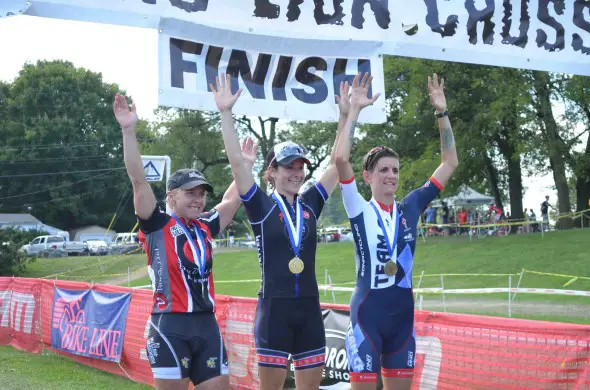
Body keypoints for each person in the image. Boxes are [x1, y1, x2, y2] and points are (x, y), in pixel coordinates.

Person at [209, 73, 348, 389]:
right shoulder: (260, 205)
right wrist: (226, 113)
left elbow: (339, 163)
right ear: (271, 172)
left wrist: (345, 116)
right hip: (274, 313)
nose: (297, 174)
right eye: (289, 167)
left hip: (311, 311)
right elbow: (235, 161)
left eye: (300, 167)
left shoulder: (311, 202)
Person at [113, 93, 258, 390]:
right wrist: (128, 130)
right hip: (170, 327)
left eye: (202, 193)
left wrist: (244, 166)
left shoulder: (205, 225)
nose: (198, 198)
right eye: (190, 192)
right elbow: (139, 181)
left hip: (207, 324)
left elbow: (234, 197)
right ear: (172, 195)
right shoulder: (156, 224)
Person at [335, 73, 458, 389]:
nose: (391, 175)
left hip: (403, 317)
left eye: (395, 170)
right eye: (383, 170)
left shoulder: (411, 207)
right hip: (367, 315)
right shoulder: (359, 209)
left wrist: (441, 113)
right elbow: (340, 158)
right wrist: (354, 113)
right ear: (367, 176)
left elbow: (449, 163)